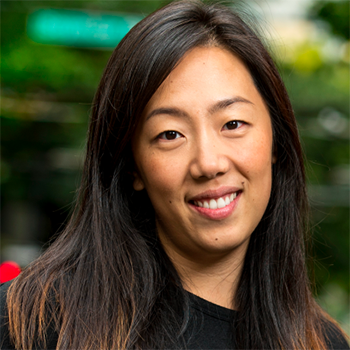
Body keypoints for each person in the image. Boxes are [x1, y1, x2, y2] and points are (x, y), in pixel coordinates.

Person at [1, 1, 349, 349]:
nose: (209, 163)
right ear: (133, 165)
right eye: (170, 134)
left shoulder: (318, 342)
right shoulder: (33, 322)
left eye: (233, 124)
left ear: (276, 142)